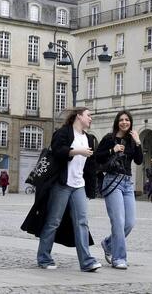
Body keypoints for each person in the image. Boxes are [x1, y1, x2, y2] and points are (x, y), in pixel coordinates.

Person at [22, 107, 101, 272]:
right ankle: (44, 258)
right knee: (53, 221)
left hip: (79, 185)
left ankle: (86, 262)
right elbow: (57, 151)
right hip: (62, 184)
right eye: (88, 116)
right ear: (79, 116)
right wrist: (77, 151)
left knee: (82, 222)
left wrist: (91, 190)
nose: (91, 119)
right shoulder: (64, 132)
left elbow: (91, 166)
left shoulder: (90, 138)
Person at [95, 110, 143, 270]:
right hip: (112, 181)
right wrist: (112, 150)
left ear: (130, 122)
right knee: (118, 221)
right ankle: (119, 258)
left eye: (127, 120)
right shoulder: (109, 138)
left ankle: (108, 244)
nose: (124, 122)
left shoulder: (131, 140)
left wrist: (137, 142)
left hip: (127, 183)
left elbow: (138, 160)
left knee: (129, 223)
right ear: (117, 122)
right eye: (121, 120)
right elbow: (97, 156)